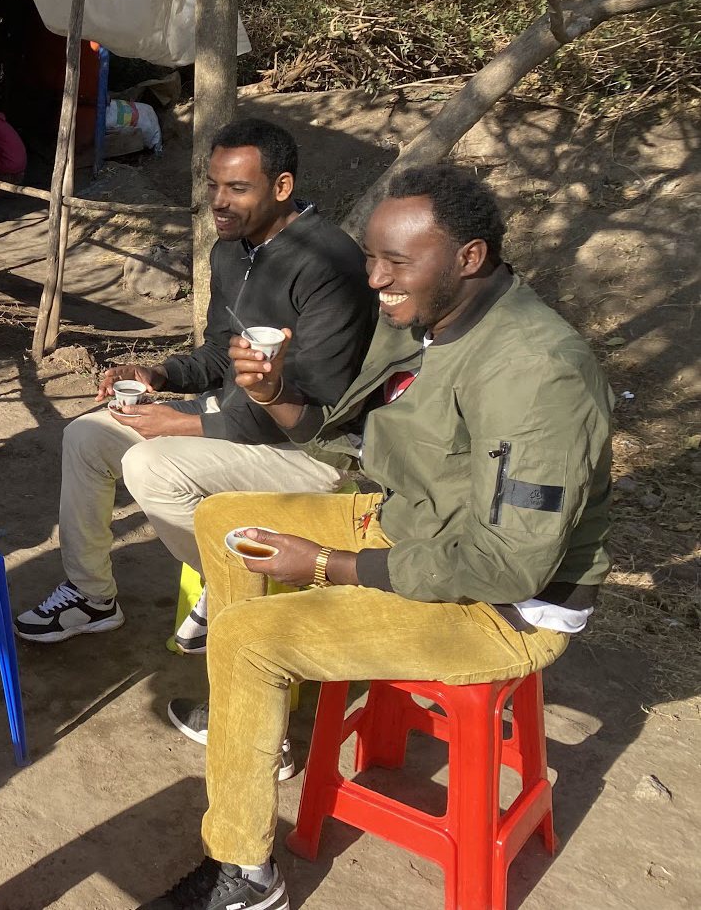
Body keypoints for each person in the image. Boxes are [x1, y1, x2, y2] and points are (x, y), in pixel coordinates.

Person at [145, 165, 613, 910]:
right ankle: (261, 730)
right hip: (414, 519)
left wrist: (331, 564)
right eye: (370, 256)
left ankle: (245, 875)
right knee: (223, 518)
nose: (374, 277)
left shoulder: (533, 372)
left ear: (469, 256)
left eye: (396, 261)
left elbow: (508, 562)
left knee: (246, 641)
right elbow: (355, 446)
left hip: (504, 607)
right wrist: (274, 396)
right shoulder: (429, 323)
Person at [15, 118, 376, 648]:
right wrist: (155, 374)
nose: (219, 202)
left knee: (149, 463)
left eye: (237, 188)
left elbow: (314, 405)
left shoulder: (329, 265)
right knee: (87, 436)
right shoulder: (233, 249)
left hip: (309, 451)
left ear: (282, 187)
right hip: (233, 422)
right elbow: (215, 352)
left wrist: (185, 423)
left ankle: (233, 579)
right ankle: (92, 596)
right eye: (212, 185)